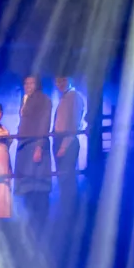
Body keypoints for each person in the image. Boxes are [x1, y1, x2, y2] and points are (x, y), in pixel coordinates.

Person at [15, 75, 52, 224]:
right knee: (28, 187)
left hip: (35, 144)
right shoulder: (25, 99)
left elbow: (44, 122)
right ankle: (31, 220)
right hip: (25, 145)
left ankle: (40, 221)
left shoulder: (43, 99)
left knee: (38, 185)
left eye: (31, 83)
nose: (28, 85)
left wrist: (39, 146)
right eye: (26, 83)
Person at [52, 75, 84, 214]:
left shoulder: (74, 96)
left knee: (67, 179)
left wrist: (64, 145)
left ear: (70, 80)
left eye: (63, 80)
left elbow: (74, 123)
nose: (60, 83)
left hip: (68, 141)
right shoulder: (63, 98)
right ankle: (66, 212)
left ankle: (71, 213)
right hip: (59, 139)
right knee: (63, 180)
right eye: (58, 80)